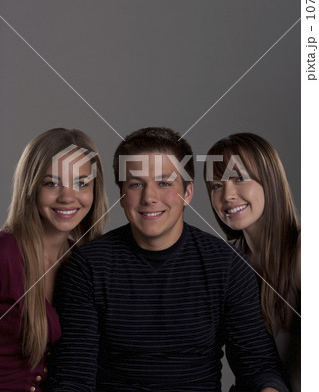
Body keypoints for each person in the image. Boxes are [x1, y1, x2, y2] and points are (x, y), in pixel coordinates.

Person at [46, 127, 288, 392]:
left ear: (188, 193)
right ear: (122, 195)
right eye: (136, 184)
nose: (150, 198)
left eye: (164, 183)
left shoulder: (227, 265)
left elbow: (258, 366)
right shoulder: (88, 266)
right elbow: (73, 377)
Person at [0, 128, 108, 392]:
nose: (67, 197)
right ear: (31, 187)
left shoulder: (83, 262)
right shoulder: (4, 254)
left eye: (82, 183)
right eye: (52, 183)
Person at [204, 132, 300, 392]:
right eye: (216, 185)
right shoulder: (226, 263)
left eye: (240, 178)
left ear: (270, 181)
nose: (227, 195)